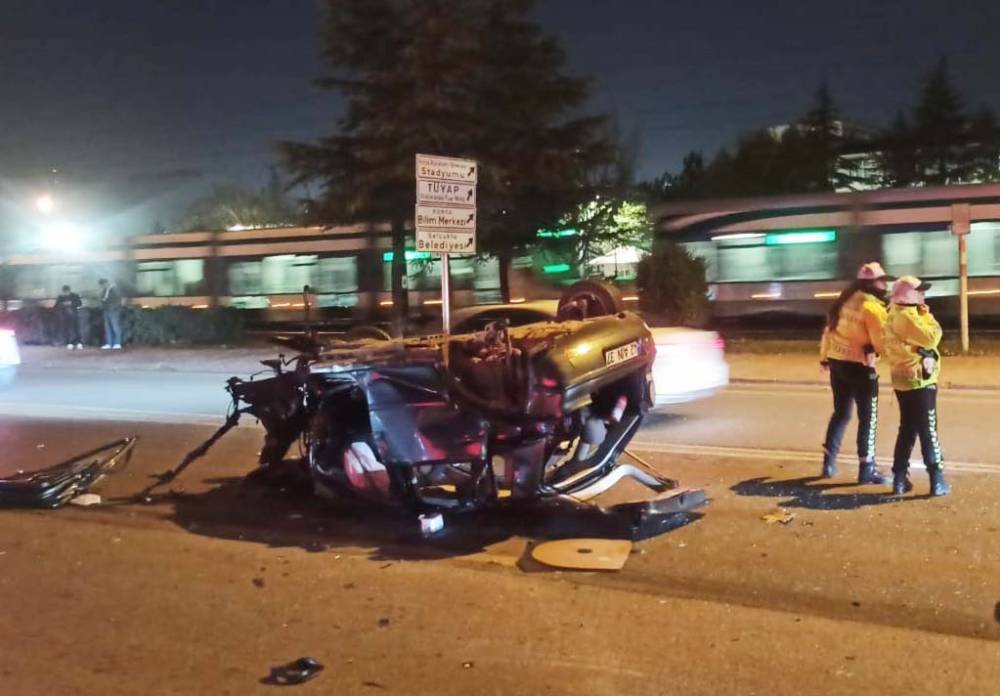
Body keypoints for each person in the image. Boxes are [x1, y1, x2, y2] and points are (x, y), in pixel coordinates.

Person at [818, 262, 891, 484]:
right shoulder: (872, 308)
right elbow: (882, 344)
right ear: (872, 284)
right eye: (882, 280)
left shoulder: (844, 301)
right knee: (867, 419)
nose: (885, 284)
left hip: (837, 363)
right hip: (860, 367)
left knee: (841, 413)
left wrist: (824, 357)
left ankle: (828, 464)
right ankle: (867, 469)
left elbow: (828, 332)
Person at [883, 276, 950, 496]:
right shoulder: (908, 317)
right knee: (928, 430)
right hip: (921, 380)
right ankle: (937, 479)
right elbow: (932, 337)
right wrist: (927, 315)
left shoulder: (893, 312)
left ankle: (900, 479)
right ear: (907, 295)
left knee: (908, 429)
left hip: (902, 381)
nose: (923, 294)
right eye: (919, 291)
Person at [54, 284, 83, 349]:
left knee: (76, 329)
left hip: (74, 315)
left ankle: (79, 342)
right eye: (64, 292)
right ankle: (69, 342)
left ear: (69, 291)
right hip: (65, 316)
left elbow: (80, 303)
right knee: (67, 330)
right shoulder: (61, 297)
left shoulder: (75, 295)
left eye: (67, 292)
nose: (66, 293)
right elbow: (56, 306)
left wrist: (71, 303)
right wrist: (62, 304)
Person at [98, 278, 123, 350]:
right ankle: (109, 343)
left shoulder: (114, 289)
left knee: (115, 326)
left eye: (102, 285)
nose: (102, 287)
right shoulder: (105, 291)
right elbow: (103, 299)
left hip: (113, 310)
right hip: (107, 310)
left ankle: (117, 343)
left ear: (106, 283)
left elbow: (118, 300)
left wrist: (115, 308)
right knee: (108, 327)